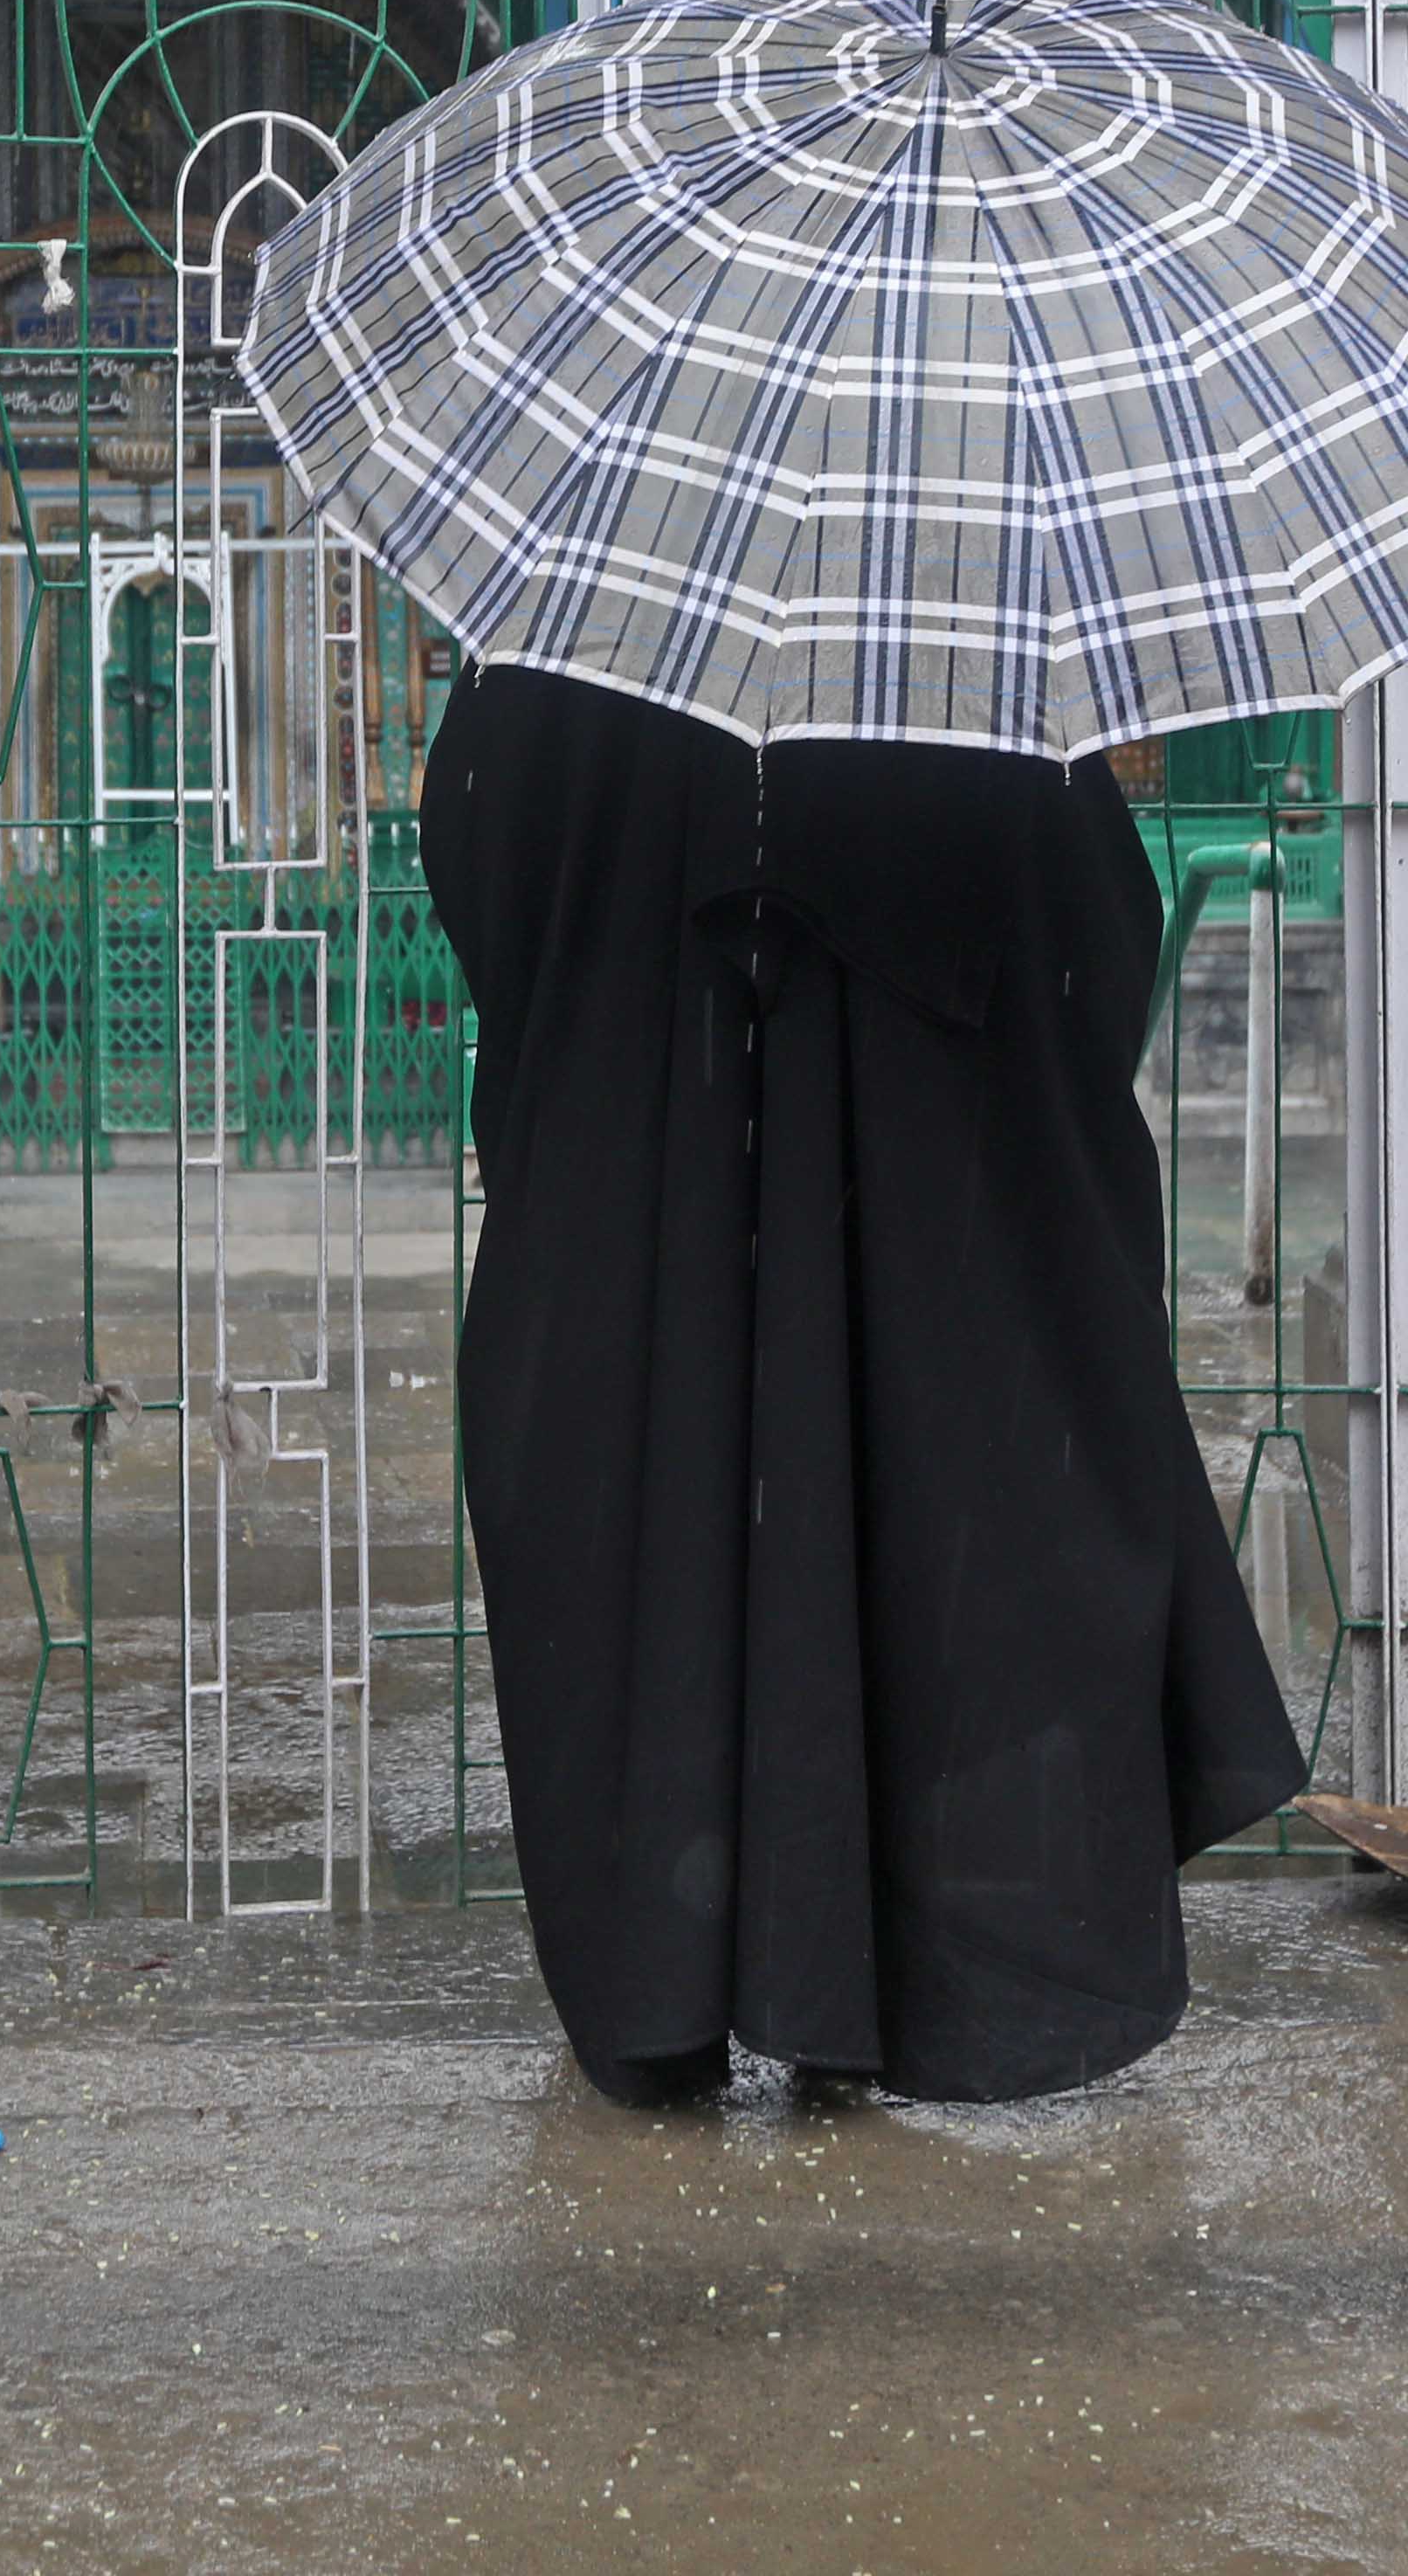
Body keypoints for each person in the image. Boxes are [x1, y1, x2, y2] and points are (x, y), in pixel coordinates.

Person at [419, 658, 1308, 2105]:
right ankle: (904, 1976)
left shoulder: (574, 654)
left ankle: (667, 1975)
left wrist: (683, 921)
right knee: (917, 1508)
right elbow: (1090, 933)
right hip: (930, 1195)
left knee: (654, 1505)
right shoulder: (973, 642)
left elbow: (480, 853)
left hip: (634, 1184)